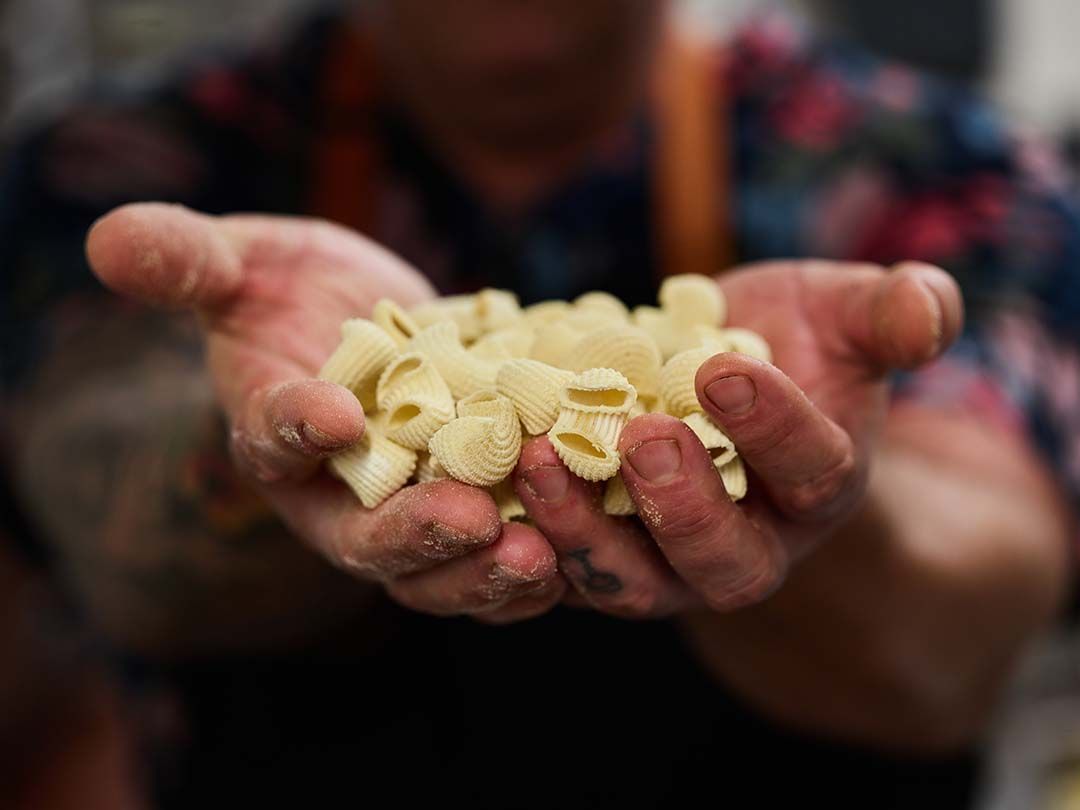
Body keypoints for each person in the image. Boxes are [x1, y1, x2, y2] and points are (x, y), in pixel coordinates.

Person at [2, 1, 1077, 806]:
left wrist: (806, 495)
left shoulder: (936, 167)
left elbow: (968, 617)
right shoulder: (131, 159)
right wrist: (281, 444)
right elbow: (86, 495)